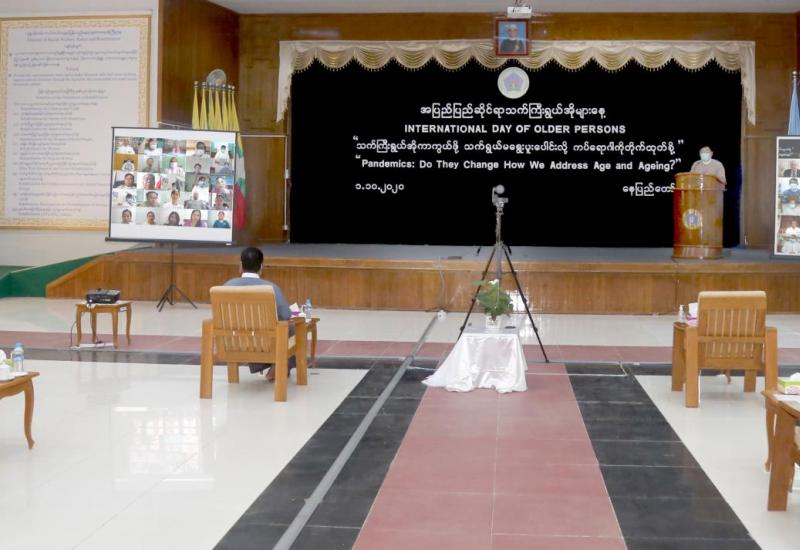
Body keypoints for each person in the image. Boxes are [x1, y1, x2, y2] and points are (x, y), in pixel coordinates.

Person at [224, 247, 293, 379]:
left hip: (233, 343)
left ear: (240, 266)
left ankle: (272, 366)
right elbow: (286, 315)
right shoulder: (271, 288)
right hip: (265, 344)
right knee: (292, 328)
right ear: (261, 267)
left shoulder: (227, 286)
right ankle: (279, 366)